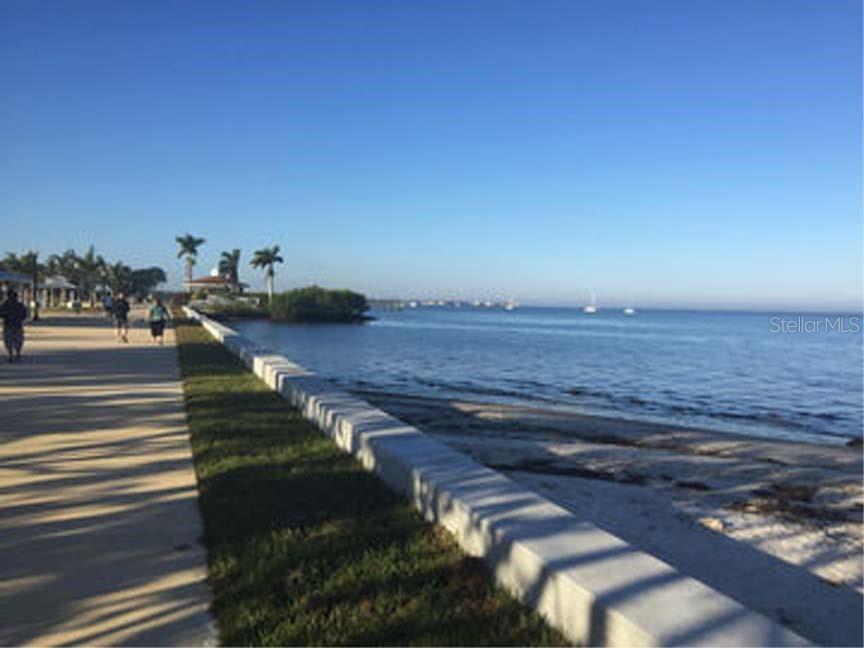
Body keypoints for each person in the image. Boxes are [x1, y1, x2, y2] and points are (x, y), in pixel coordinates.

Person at [0, 290, 28, 363]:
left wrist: (6, 315)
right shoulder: (19, 305)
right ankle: (15, 353)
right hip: (15, 325)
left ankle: (12, 354)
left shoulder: (5, 304)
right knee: (17, 340)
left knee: (10, 341)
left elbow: (1, 313)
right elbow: (24, 314)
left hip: (9, 325)